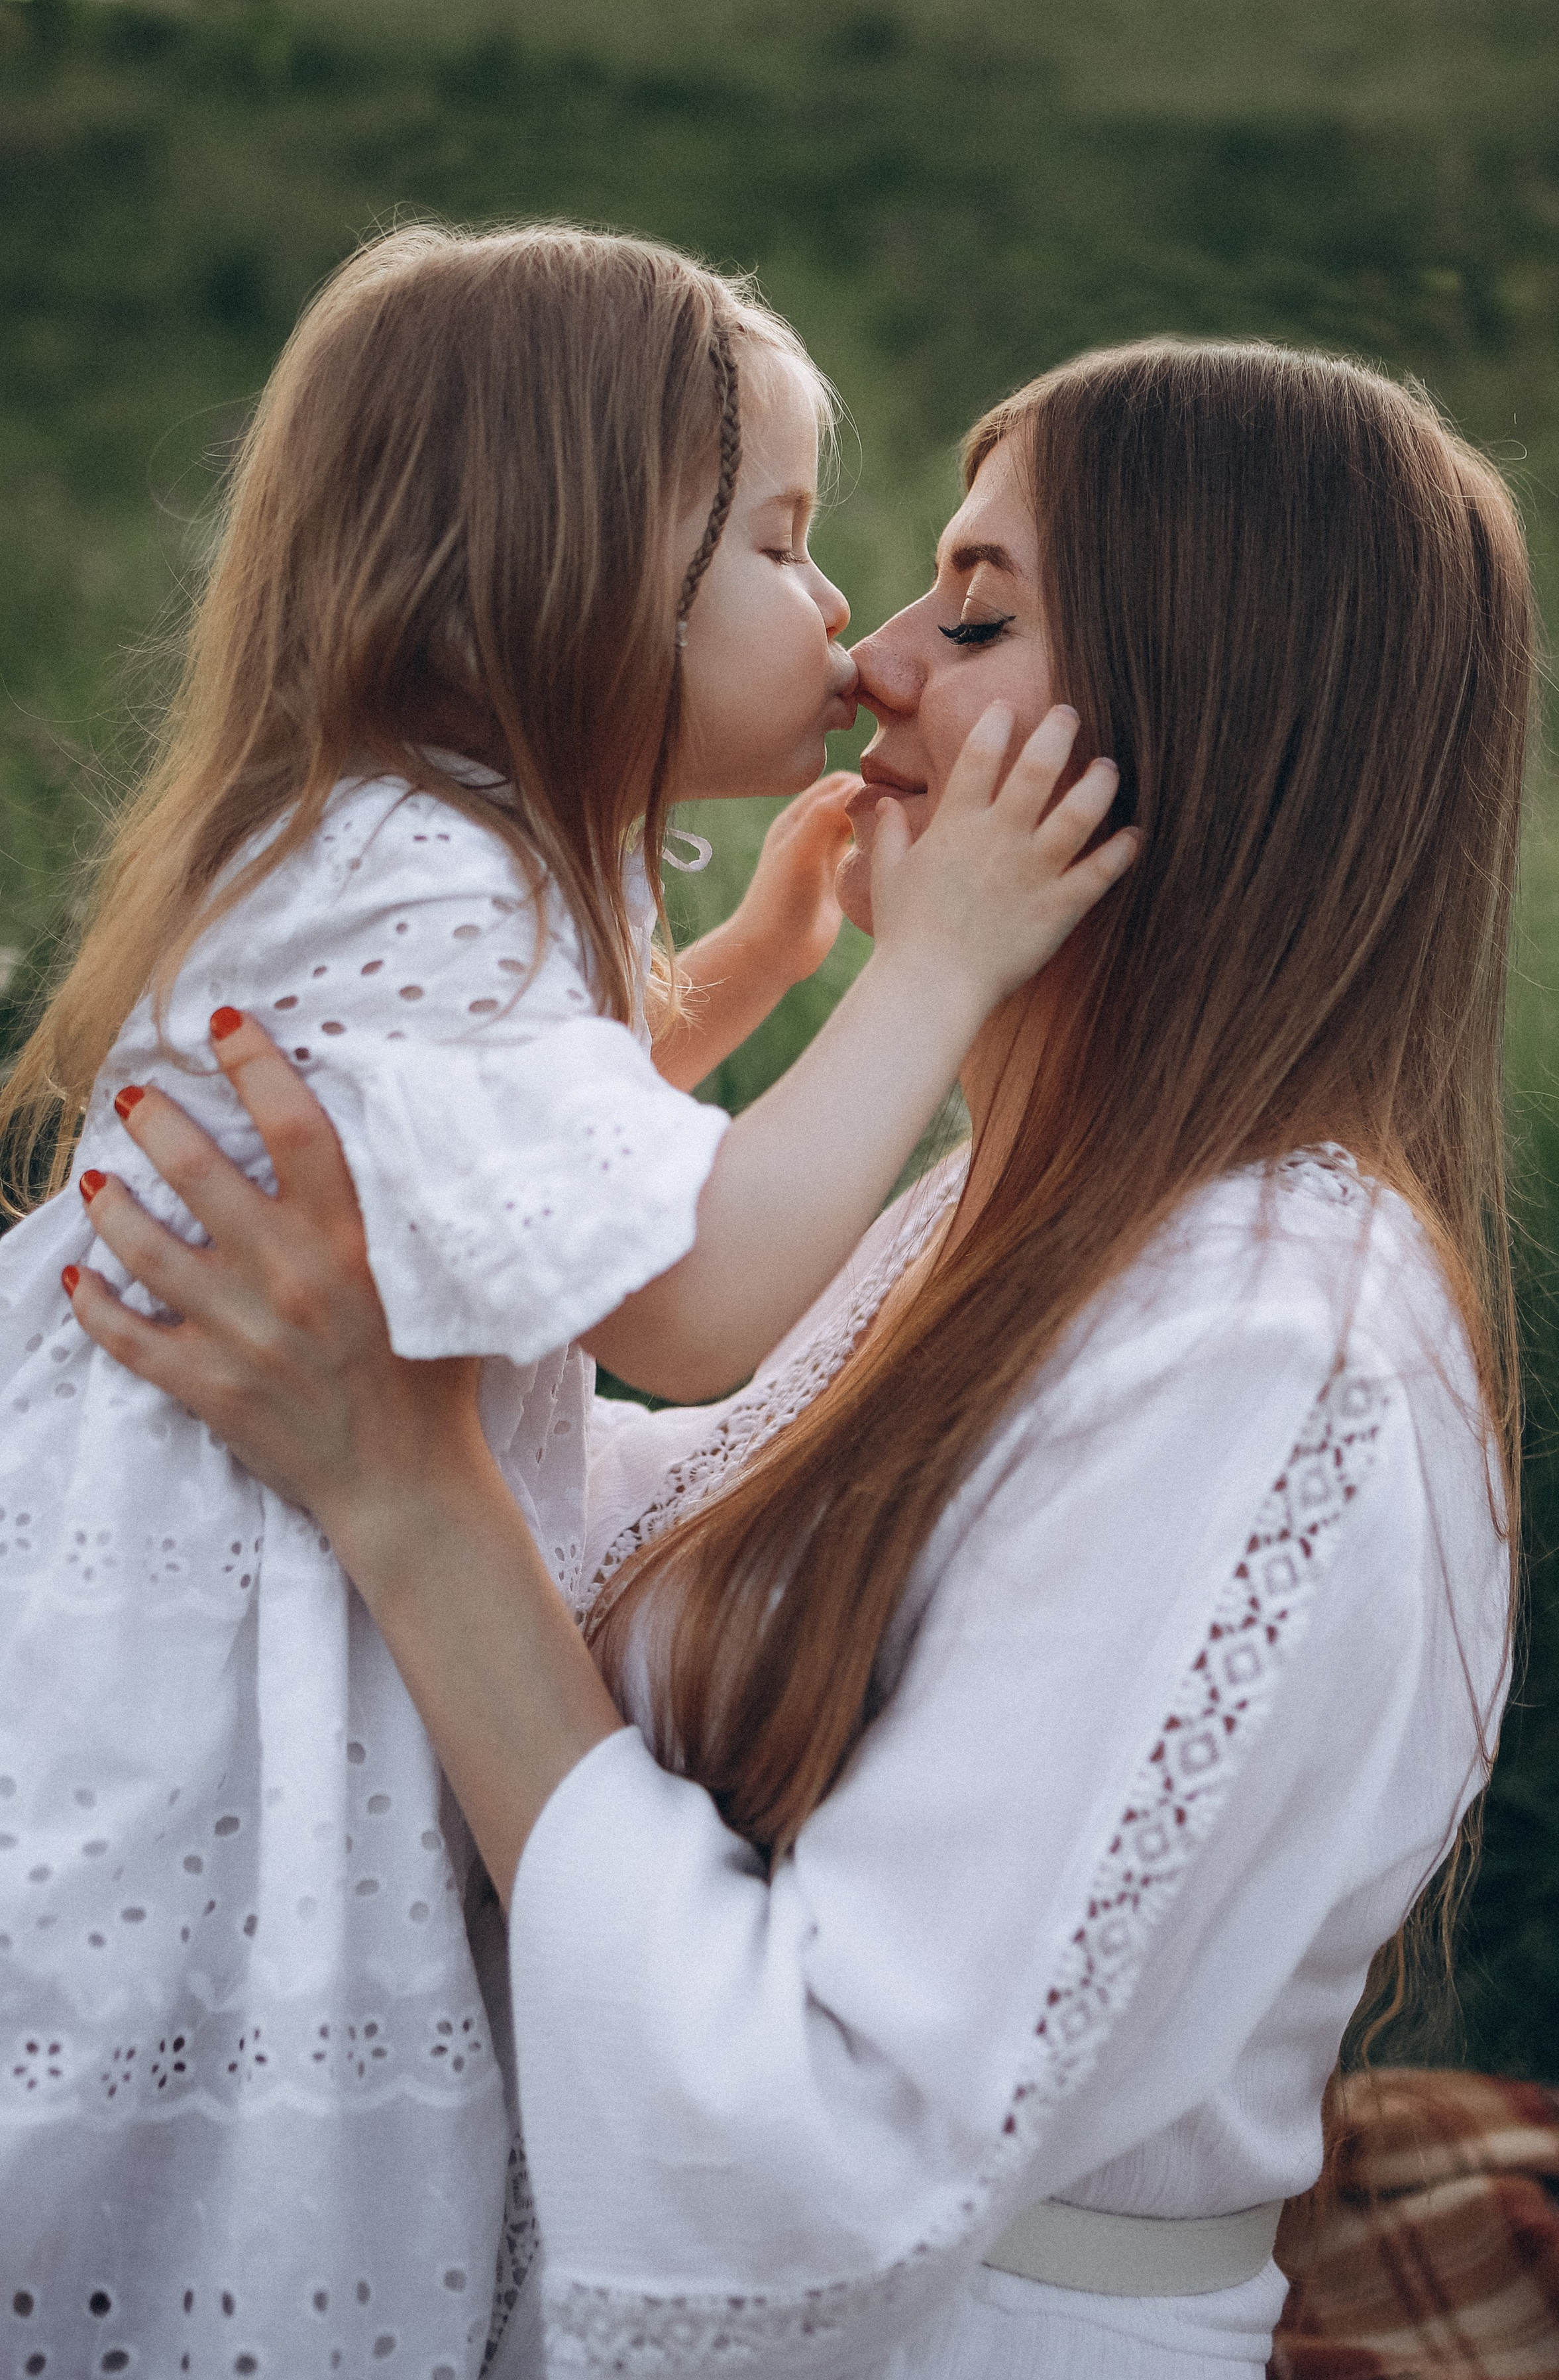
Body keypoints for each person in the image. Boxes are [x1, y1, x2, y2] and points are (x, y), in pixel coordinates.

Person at [65, 338, 1530, 2379]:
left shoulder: (1277, 1342)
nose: (883, 662)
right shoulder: (1013, 1219)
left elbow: (814, 2155)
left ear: (1209, 710)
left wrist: (405, 1489)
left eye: (983, 608)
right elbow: (683, 1509)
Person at [0, 224, 1132, 2377]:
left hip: (233, 1578)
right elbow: (683, 1300)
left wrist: (746, 980)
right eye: (786, 548)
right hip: (222, 1686)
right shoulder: (428, 881)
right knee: (204, 2158)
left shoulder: (413, 854)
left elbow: (508, 1184)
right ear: (581, 572)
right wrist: (938, 965)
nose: (837, 618)